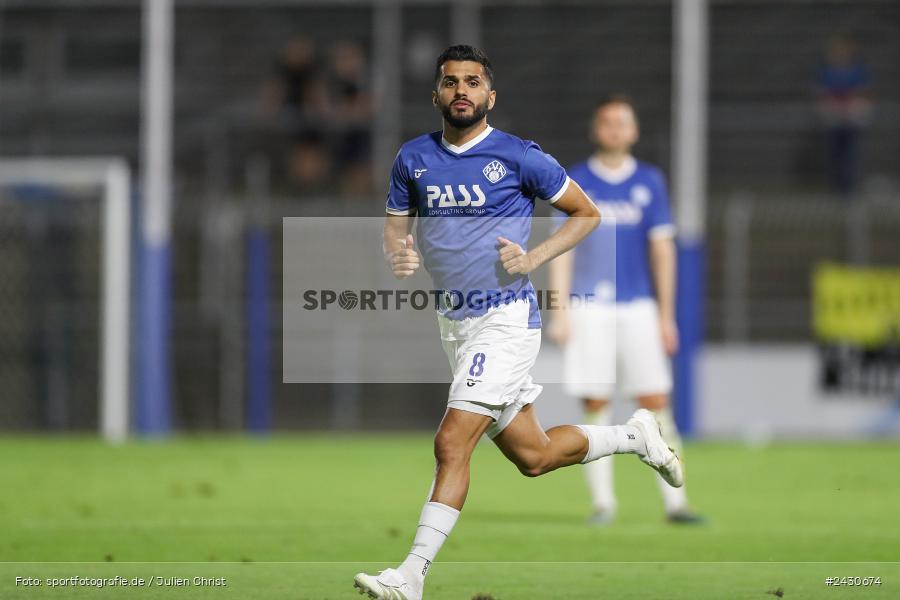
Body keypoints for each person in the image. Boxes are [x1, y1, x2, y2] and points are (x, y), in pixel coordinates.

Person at [353, 47, 684, 600]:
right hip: (455, 325)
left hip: (505, 321)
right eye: (452, 82)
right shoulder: (412, 158)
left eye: (473, 82)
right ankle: (634, 435)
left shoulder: (519, 157)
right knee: (534, 456)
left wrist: (533, 259)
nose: (462, 90)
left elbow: (587, 213)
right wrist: (399, 253)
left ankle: (410, 576)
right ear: (436, 95)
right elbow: (394, 228)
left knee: (451, 442)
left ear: (490, 97)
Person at [548, 95, 702, 526]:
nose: (615, 129)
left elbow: (663, 251)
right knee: (596, 402)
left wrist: (665, 315)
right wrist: (560, 311)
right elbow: (563, 250)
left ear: (633, 131)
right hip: (589, 309)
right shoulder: (575, 180)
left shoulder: (650, 181)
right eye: (607, 122)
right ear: (596, 129)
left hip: (638, 308)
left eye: (623, 122)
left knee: (655, 401)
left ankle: (676, 503)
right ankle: (603, 504)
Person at [815, 35, 872, 199]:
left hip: (852, 118)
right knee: (835, 156)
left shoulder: (858, 71)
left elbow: (864, 92)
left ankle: (849, 190)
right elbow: (822, 93)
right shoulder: (826, 72)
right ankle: (836, 190)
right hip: (834, 118)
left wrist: (850, 103)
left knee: (851, 156)